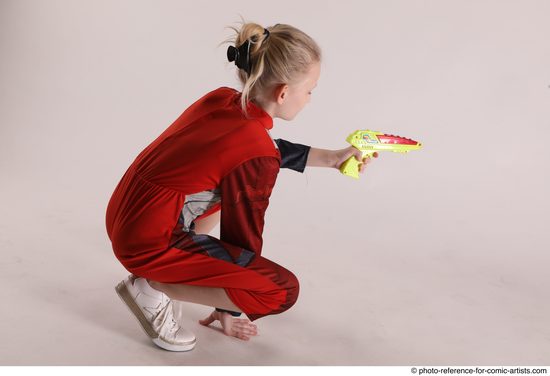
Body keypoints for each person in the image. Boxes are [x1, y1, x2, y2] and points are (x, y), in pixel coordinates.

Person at [105, 21, 378, 352]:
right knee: (280, 291)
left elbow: (260, 149)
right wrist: (227, 307)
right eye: (310, 90)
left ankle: (165, 269)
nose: (309, 99)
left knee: (227, 176)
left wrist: (335, 158)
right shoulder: (254, 152)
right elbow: (244, 238)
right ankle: (153, 285)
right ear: (283, 92)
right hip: (147, 243)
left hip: (125, 216)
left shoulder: (223, 100)